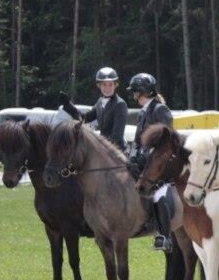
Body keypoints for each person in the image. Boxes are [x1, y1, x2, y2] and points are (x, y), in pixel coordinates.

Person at [126, 72, 175, 253]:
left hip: (160, 163)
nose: (133, 95)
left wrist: (146, 156)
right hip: (144, 161)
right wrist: (133, 156)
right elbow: (138, 141)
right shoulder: (144, 111)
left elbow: (166, 140)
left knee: (157, 192)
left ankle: (164, 236)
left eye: (134, 92)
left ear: (141, 92)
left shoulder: (160, 110)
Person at [58, 67, 127, 151]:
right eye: (104, 84)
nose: (107, 88)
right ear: (99, 85)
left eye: (110, 84)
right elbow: (84, 118)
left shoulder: (120, 104)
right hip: (103, 147)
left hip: (115, 151)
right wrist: (67, 104)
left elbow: (117, 137)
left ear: (115, 85)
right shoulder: (100, 101)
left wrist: (98, 147)